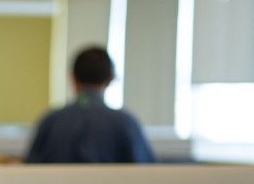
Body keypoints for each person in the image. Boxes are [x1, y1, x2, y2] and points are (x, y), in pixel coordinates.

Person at [25, 46, 156, 164]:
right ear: (110, 78)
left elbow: (31, 169)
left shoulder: (51, 121)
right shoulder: (125, 123)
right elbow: (146, 173)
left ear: (73, 78)